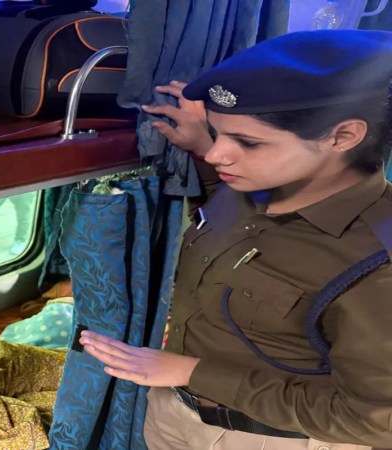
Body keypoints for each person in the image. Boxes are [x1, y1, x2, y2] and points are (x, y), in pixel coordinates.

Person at [78, 30, 392, 448]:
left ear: (342, 136)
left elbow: (376, 421)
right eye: (218, 132)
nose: (216, 154)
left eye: (248, 142)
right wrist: (203, 146)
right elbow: (232, 228)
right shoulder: (254, 182)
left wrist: (192, 372)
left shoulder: (377, 262)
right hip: (173, 412)